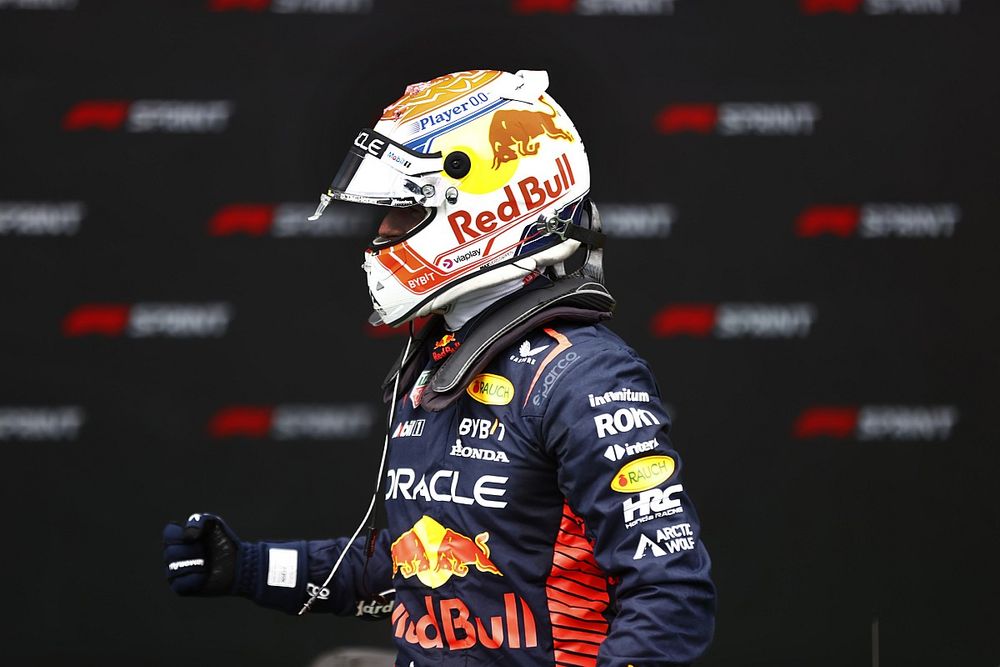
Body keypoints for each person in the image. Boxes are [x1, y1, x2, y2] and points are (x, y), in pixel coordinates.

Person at [163, 69, 716, 666]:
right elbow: (417, 566)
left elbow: (669, 593)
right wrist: (248, 566)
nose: (380, 235)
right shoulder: (437, 362)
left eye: (402, 213)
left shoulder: (582, 377)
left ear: (487, 209)